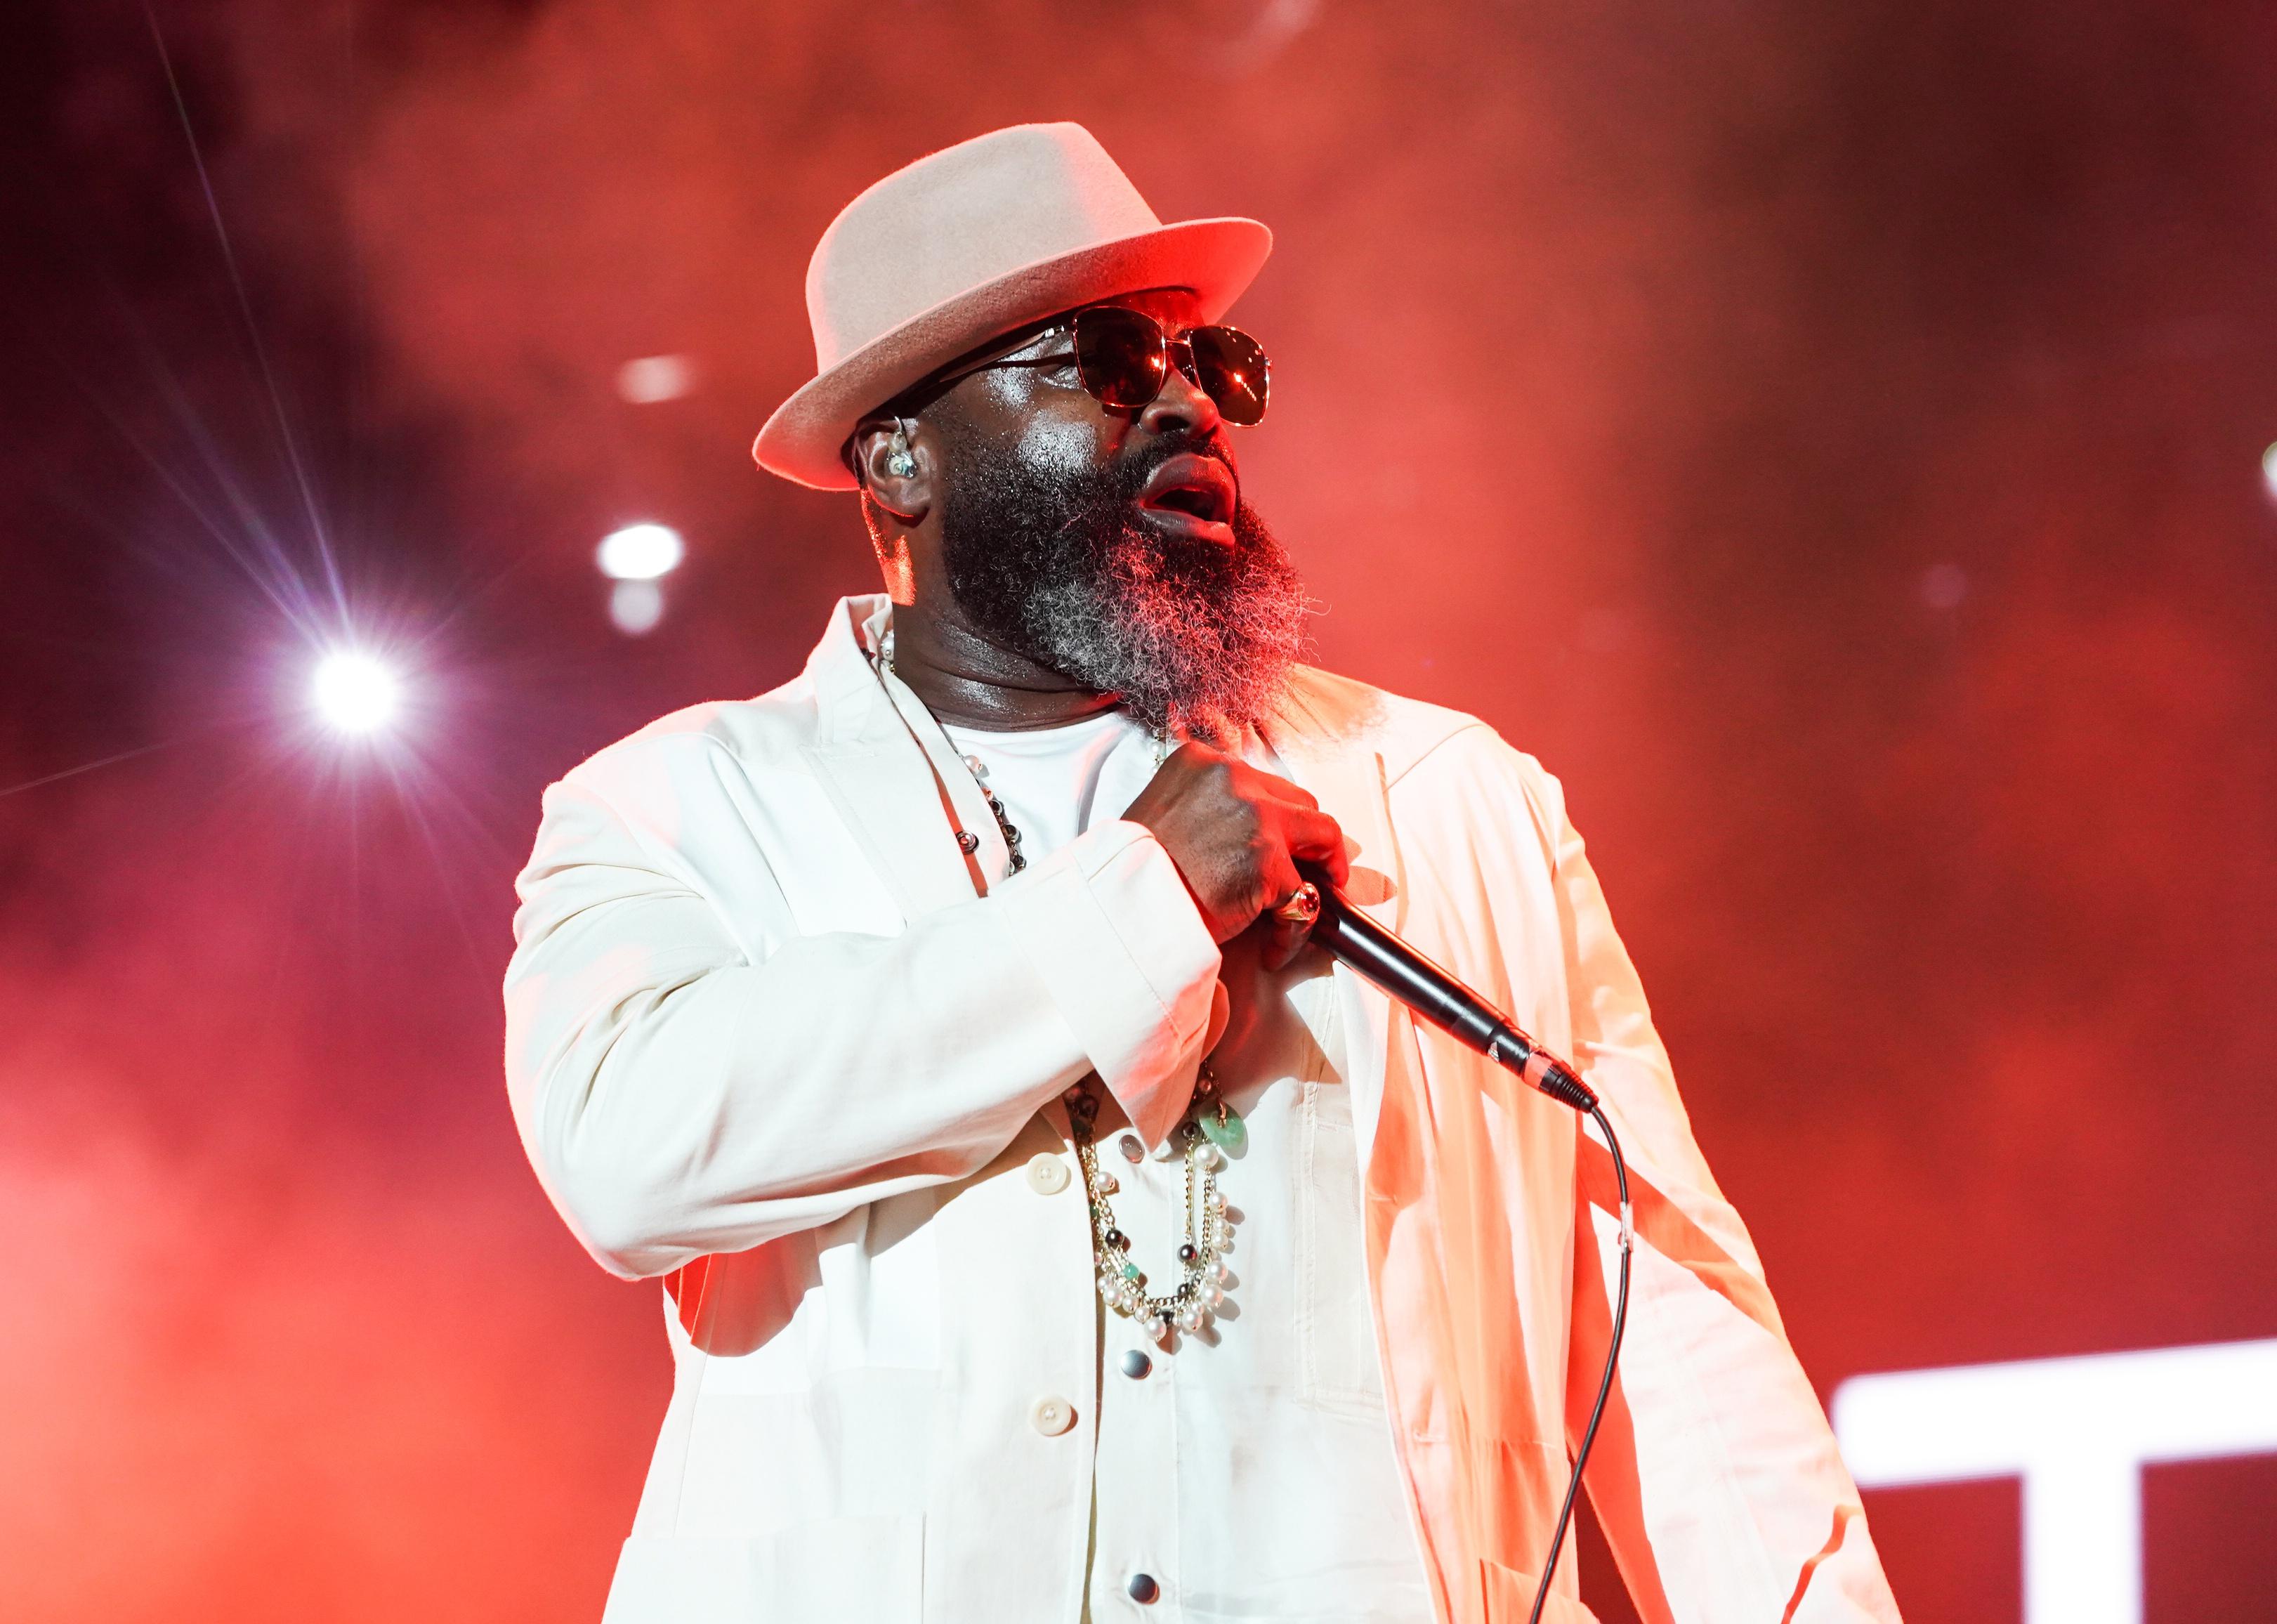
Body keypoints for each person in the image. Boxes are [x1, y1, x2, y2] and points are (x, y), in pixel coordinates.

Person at [504, 123, 1901, 1624]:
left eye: (1207, 362)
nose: (1186, 407)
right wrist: (1144, 897)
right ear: (898, 459)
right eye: (1103, 360)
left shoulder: (1449, 799)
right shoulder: (684, 805)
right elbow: (628, 1148)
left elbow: (1675, 1334)